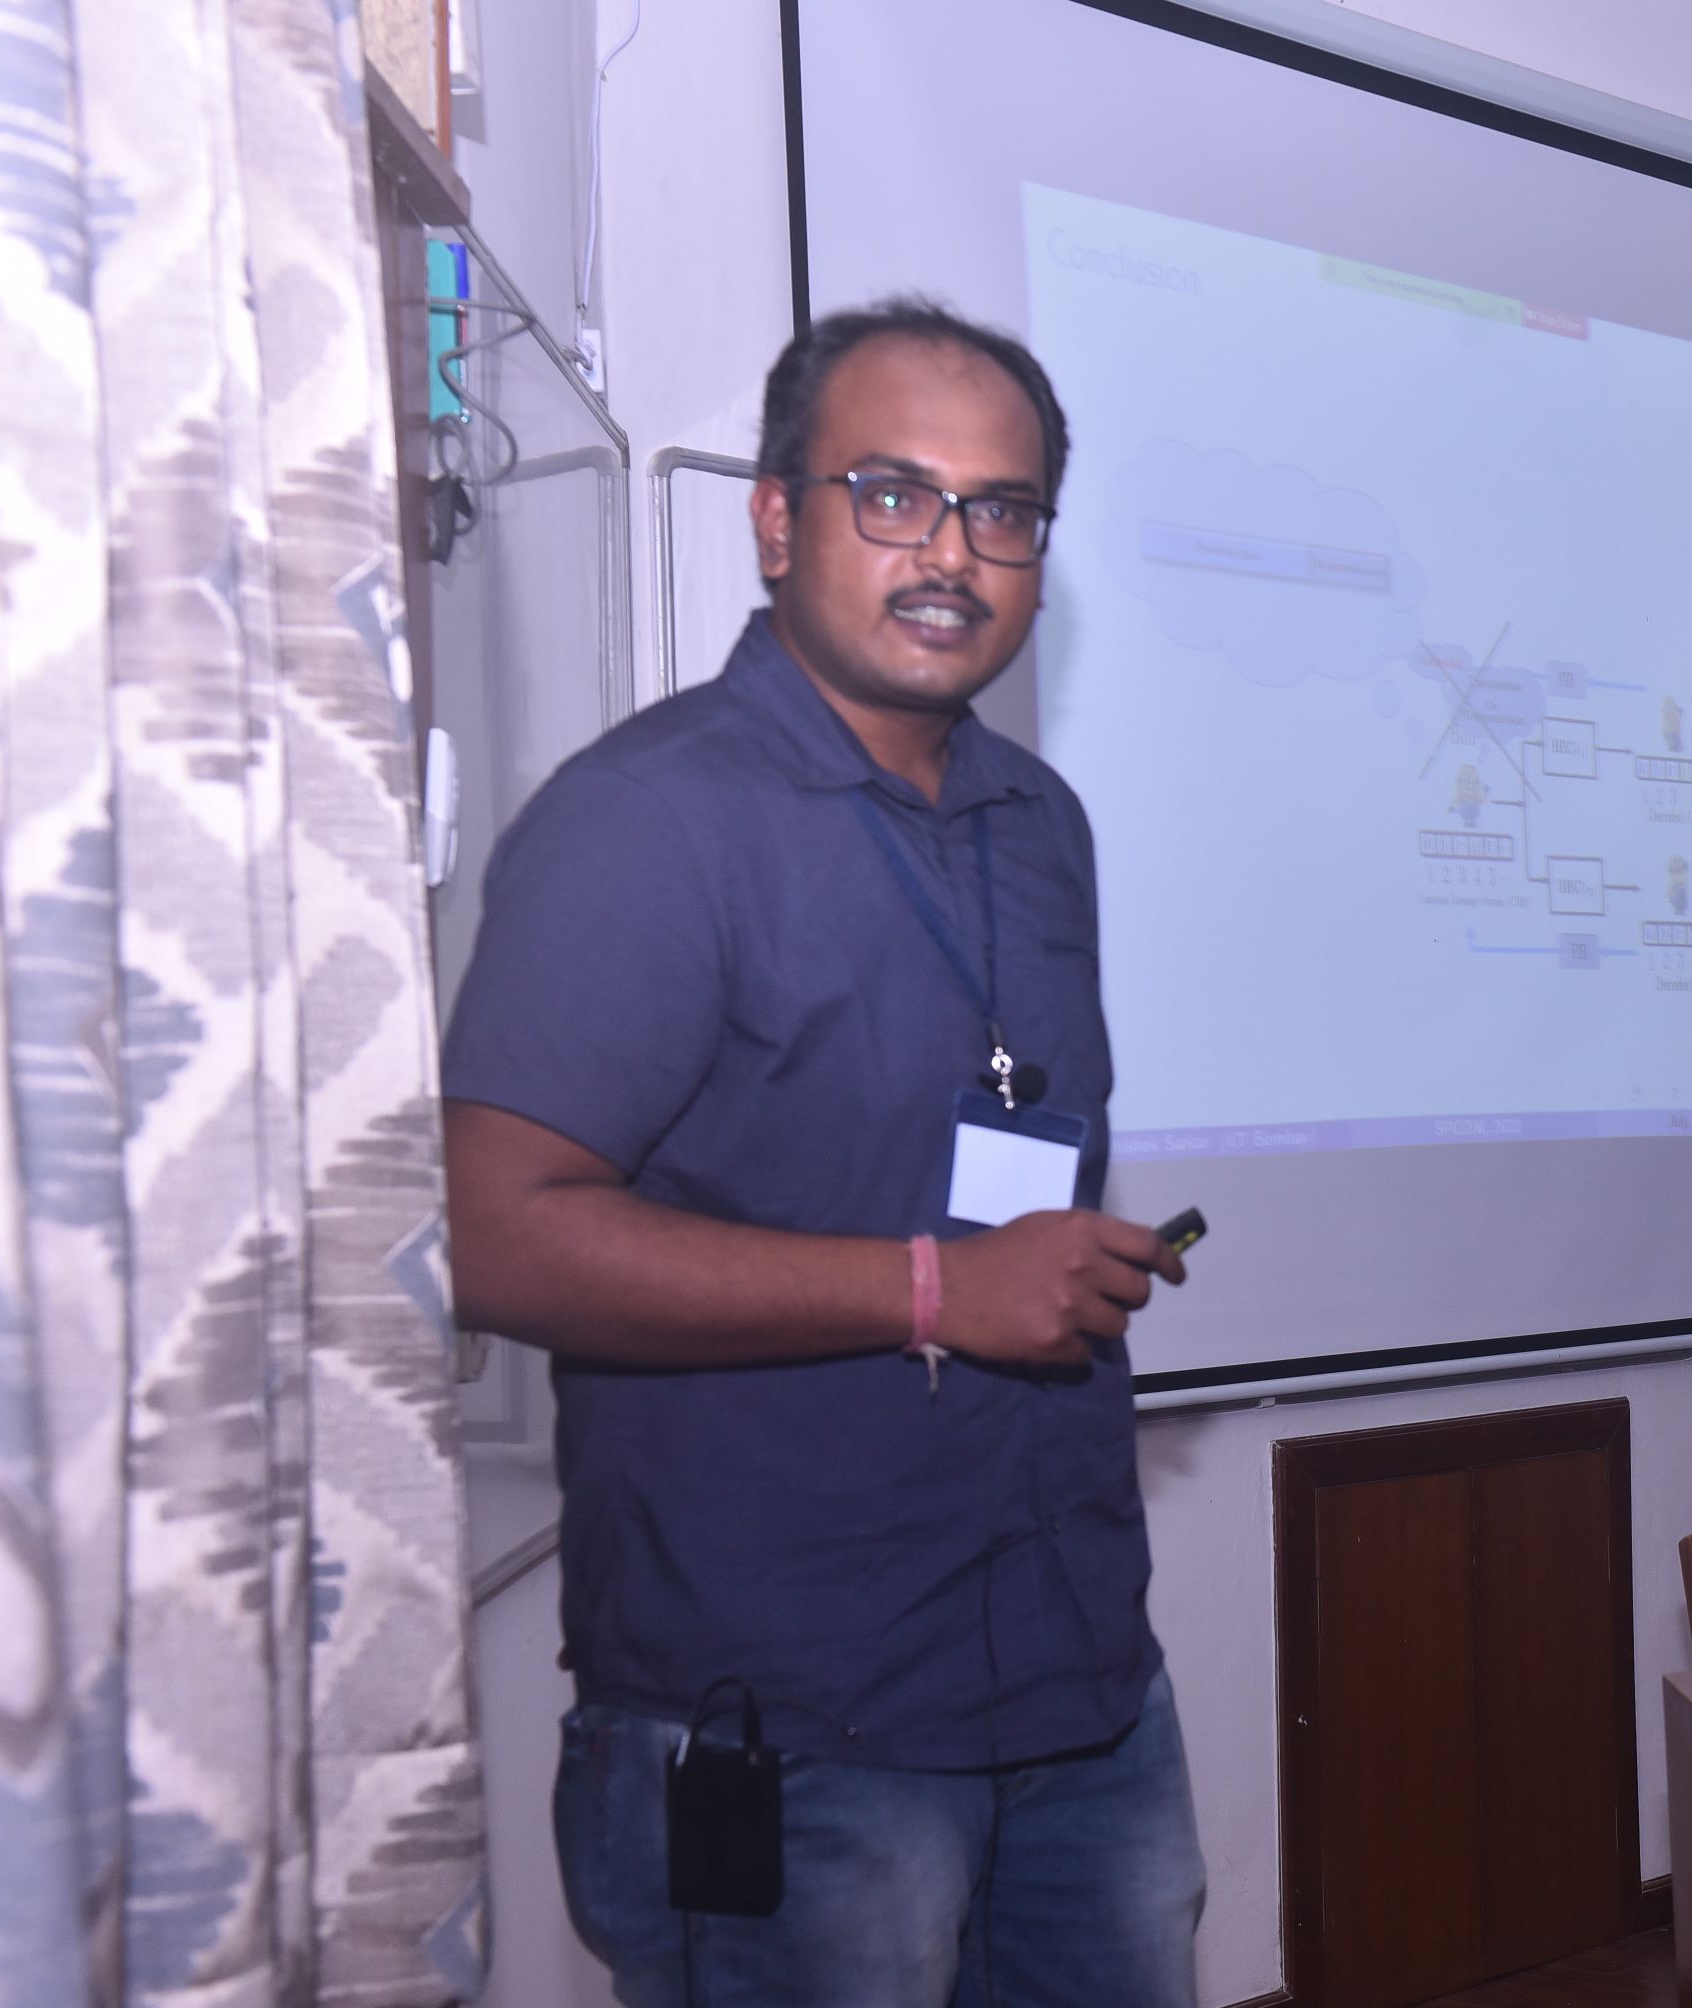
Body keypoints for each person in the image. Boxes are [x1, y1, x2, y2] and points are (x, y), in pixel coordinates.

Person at [442, 298, 1203, 2007]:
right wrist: (937, 1289)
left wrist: (1037, 1277)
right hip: (789, 1724)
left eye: (1001, 511)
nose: (951, 552)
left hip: (1076, 1685)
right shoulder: (649, 823)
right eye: (893, 494)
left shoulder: (1040, 825)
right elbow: (489, 1234)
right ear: (778, 520)